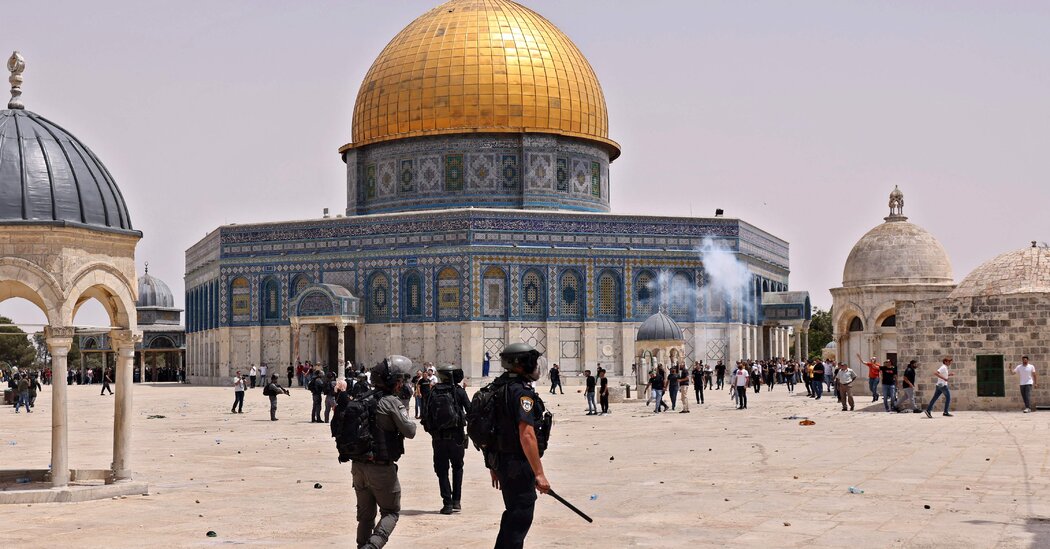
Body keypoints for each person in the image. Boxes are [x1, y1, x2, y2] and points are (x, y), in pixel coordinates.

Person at [486, 343, 552, 549]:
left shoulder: (497, 389)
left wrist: (492, 465)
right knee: (520, 517)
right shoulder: (521, 394)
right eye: (531, 363)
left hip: (502, 463)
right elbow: (527, 435)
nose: (535, 367)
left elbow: (489, 431)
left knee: (512, 515)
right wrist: (539, 473)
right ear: (521, 365)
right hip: (518, 464)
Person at [351, 356, 417, 549]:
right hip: (380, 468)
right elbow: (410, 431)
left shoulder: (363, 398)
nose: (401, 383)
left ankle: (362, 545)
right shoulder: (390, 402)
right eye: (399, 380)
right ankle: (372, 546)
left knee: (365, 517)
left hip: (358, 467)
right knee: (391, 511)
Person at [422, 363, 470, 514]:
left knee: (442, 470)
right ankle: (456, 501)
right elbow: (471, 411)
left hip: (438, 439)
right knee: (458, 467)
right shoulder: (459, 392)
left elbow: (425, 417)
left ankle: (447, 503)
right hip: (456, 437)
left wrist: (434, 432)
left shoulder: (432, 392)